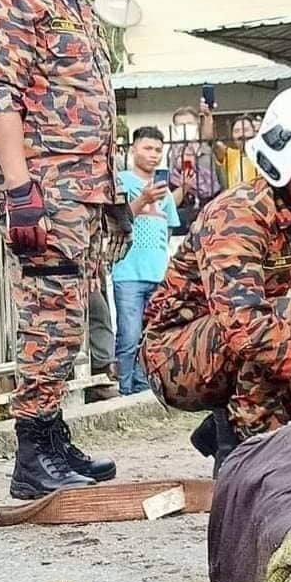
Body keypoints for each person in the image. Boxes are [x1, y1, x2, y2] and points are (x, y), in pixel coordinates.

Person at [0, 0, 125, 500]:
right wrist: (21, 188)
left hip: (82, 195)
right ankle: (32, 458)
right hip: (45, 193)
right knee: (46, 322)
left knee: (65, 324)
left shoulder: (75, 5)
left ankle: (53, 436)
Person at [141, 81, 291, 473]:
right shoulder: (236, 216)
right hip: (173, 356)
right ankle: (254, 450)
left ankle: (227, 430)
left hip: (232, 345)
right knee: (290, 321)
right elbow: (245, 327)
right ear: (286, 158)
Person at [112, 126, 179, 395]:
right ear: (133, 149)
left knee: (151, 336)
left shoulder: (166, 194)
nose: (153, 155)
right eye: (147, 148)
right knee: (128, 336)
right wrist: (144, 198)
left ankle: (142, 390)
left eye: (157, 151)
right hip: (127, 272)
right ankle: (124, 389)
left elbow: (170, 229)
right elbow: (120, 219)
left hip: (157, 274)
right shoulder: (120, 182)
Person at [168, 103, 221, 235]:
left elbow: (209, 136)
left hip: (210, 207)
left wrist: (208, 115)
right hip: (183, 209)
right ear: (175, 128)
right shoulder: (172, 153)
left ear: (196, 126)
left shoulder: (206, 149)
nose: (185, 127)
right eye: (181, 125)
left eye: (189, 123)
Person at [214, 114, 258, 188]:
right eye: (236, 131)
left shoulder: (265, 154)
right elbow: (213, 142)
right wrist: (208, 115)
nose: (241, 134)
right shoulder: (230, 155)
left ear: (254, 132)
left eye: (246, 130)